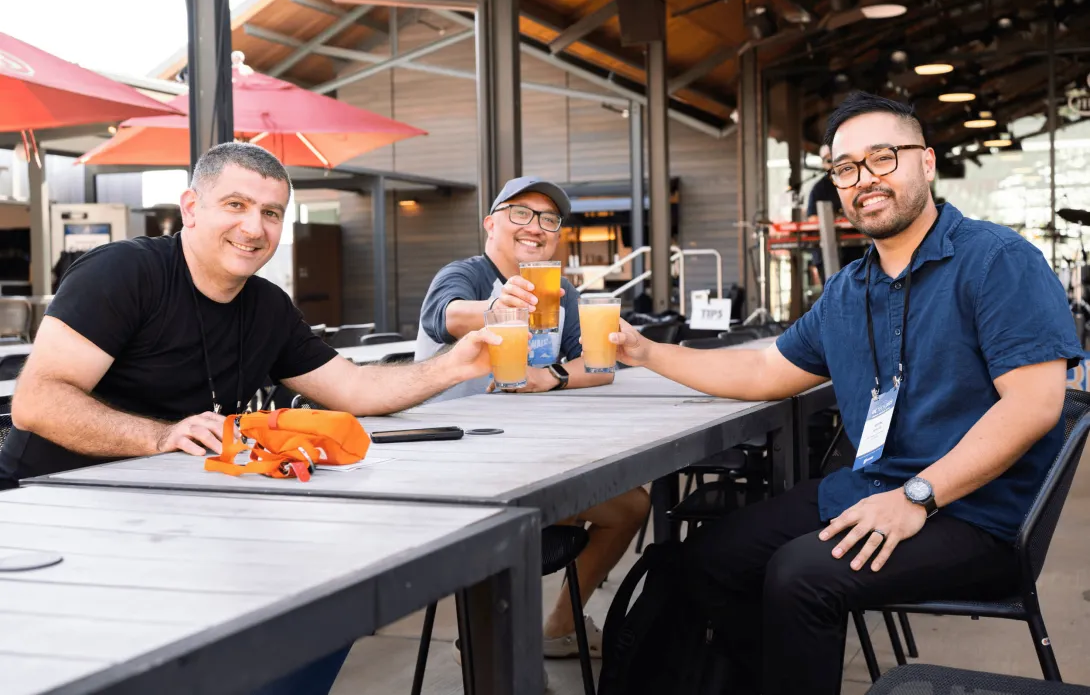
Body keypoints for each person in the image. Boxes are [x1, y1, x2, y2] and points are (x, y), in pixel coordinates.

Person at [609, 91, 1081, 695]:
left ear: (927, 163)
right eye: (845, 168)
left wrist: (917, 497)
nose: (865, 179)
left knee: (799, 576)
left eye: (883, 157)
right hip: (872, 488)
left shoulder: (996, 261)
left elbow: (1035, 404)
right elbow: (761, 373)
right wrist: (647, 353)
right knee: (706, 560)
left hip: (976, 512)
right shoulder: (848, 290)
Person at [1, 142, 505, 695]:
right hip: (52, 515)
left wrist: (454, 366)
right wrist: (161, 435)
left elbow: (355, 387)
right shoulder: (125, 273)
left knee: (333, 600)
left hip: (175, 521)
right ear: (191, 207)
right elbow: (38, 401)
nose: (253, 227)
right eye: (235, 205)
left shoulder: (267, 305)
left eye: (270, 213)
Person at [416, 176, 650, 661]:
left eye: (548, 218)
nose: (535, 226)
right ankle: (495, 657)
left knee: (631, 506)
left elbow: (600, 364)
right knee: (509, 530)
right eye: (520, 213)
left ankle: (559, 628)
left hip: (523, 461)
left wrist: (555, 376)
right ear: (490, 224)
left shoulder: (557, 290)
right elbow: (447, 315)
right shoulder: (465, 275)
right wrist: (493, 309)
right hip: (455, 466)